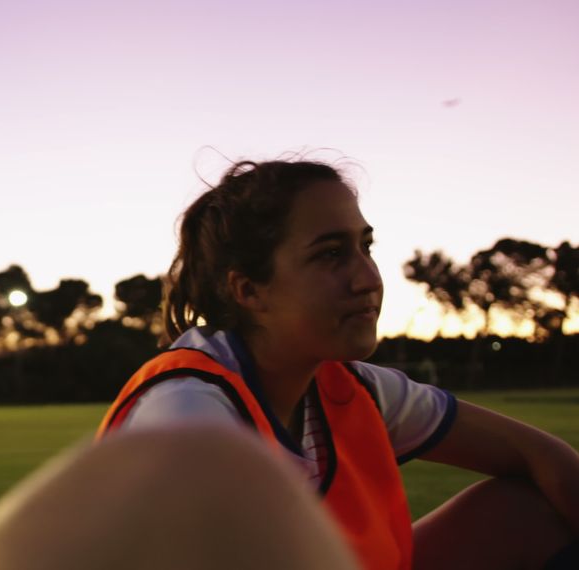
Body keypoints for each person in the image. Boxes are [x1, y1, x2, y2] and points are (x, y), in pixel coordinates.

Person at [93, 160, 579, 569]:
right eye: (330, 255)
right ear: (249, 290)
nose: (368, 279)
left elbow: (544, 457)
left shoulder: (354, 389)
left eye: (365, 247)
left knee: (527, 512)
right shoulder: (188, 417)